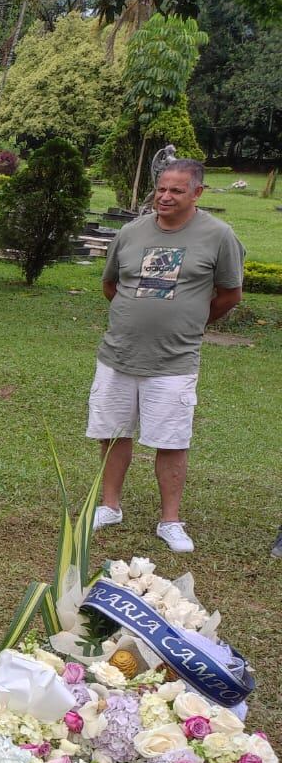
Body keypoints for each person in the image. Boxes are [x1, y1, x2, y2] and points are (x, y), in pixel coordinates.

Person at [89, 159, 245, 554]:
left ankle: (171, 521)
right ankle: (110, 506)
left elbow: (229, 294)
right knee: (113, 431)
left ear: (197, 193)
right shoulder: (131, 232)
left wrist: (191, 323)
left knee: (172, 440)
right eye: (161, 188)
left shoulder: (218, 236)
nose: (165, 196)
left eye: (176, 190)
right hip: (118, 354)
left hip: (174, 361)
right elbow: (111, 285)